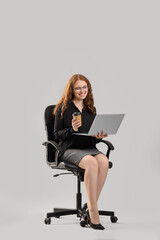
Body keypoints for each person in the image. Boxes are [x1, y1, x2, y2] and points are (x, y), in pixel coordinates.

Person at [53, 74, 109, 230]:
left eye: (84, 87)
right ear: (71, 89)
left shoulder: (91, 109)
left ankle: (90, 205)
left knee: (103, 161)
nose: (82, 91)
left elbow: (91, 137)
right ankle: (93, 211)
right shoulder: (63, 108)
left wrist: (98, 136)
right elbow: (57, 134)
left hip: (87, 147)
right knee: (92, 162)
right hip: (70, 148)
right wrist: (72, 129)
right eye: (78, 88)